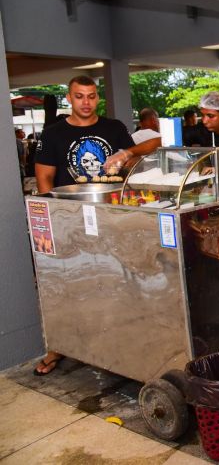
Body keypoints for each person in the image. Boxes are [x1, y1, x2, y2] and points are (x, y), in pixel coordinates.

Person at [33, 75, 154, 376]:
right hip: (71, 218)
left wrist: (127, 153)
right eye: (79, 96)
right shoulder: (53, 133)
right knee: (69, 282)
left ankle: (120, 339)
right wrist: (51, 219)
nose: (85, 102)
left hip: (113, 216)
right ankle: (60, 346)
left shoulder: (113, 128)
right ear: (69, 98)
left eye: (91, 96)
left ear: (97, 98)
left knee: (117, 279)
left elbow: (148, 147)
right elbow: (45, 180)